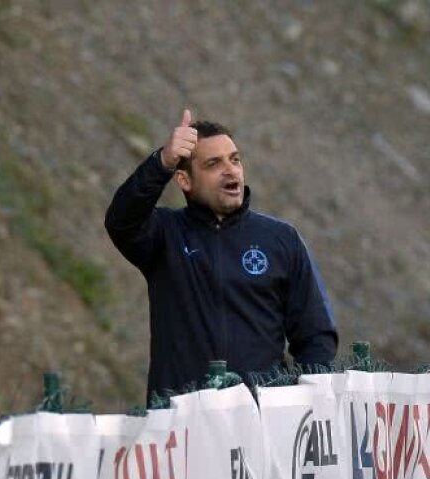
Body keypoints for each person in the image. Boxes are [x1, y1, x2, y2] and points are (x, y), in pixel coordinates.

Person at [105, 109, 338, 402]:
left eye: (235, 159)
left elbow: (315, 333)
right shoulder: (165, 235)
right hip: (184, 421)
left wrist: (303, 406)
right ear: (184, 180)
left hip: (260, 422)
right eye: (214, 163)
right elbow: (121, 221)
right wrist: (161, 162)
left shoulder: (281, 239)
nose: (231, 170)